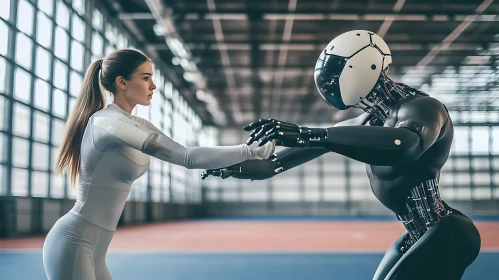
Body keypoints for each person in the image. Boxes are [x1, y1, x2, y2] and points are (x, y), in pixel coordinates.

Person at [202, 30, 481, 280]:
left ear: (359, 65)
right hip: (419, 233)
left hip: (446, 232)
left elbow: (404, 145)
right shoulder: (366, 123)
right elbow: (274, 165)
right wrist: (229, 165)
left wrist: (309, 133)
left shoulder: (423, 108)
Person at [42, 49, 275, 280]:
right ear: (122, 82)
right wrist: (249, 151)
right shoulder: (107, 123)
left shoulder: (136, 123)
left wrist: (250, 151)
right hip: (73, 240)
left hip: (96, 247)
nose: (153, 86)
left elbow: (187, 154)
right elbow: (188, 159)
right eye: (145, 78)